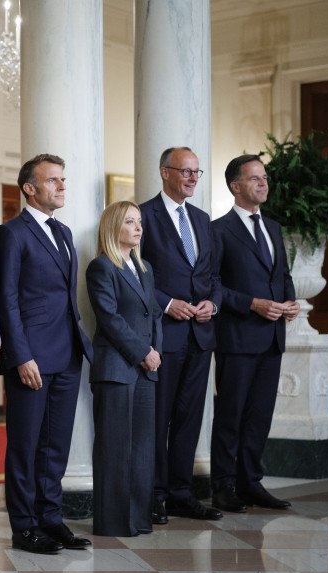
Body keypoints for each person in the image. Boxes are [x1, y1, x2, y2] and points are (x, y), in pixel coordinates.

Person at [0, 153, 93, 554]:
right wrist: (20, 355)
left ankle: (51, 519)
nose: (61, 186)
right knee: (25, 445)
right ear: (30, 188)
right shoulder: (11, 234)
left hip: (67, 353)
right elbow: (7, 298)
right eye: (53, 180)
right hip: (31, 356)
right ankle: (24, 526)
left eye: (63, 180)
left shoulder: (64, 232)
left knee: (56, 446)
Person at [209, 154, 299, 512]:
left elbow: (284, 277)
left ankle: (251, 483)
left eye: (264, 177)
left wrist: (289, 302)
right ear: (235, 186)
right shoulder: (218, 230)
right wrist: (252, 304)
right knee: (231, 415)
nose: (264, 183)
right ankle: (223, 486)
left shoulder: (274, 228)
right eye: (255, 178)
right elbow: (213, 285)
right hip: (237, 337)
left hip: (272, 336)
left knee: (260, 415)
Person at [139, 147, 223, 524]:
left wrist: (213, 304)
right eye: (185, 171)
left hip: (200, 336)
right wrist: (165, 302)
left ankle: (180, 493)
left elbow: (213, 278)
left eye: (196, 172)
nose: (192, 178)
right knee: (158, 419)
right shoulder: (143, 216)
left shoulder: (203, 220)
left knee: (190, 417)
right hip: (164, 334)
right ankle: (154, 495)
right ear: (165, 173)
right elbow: (136, 276)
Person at [86, 202, 163, 537]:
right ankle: (113, 522)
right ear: (113, 226)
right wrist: (143, 352)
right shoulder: (101, 267)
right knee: (114, 447)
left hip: (147, 369)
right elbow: (109, 318)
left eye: (140, 222)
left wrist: (155, 352)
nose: (138, 228)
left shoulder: (144, 267)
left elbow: (155, 314)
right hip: (116, 368)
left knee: (143, 449)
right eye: (130, 222)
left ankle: (138, 518)